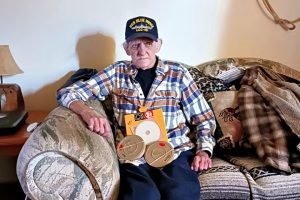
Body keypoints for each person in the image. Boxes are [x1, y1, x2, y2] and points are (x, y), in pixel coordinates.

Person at [57, 16, 216, 200]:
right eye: (135, 45)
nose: (142, 51)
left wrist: (203, 151)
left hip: (174, 149)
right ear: (126, 48)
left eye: (148, 43)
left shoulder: (178, 73)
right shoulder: (116, 73)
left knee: (180, 193)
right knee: (144, 195)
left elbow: (204, 118)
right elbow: (67, 93)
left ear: (158, 45)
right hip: (133, 154)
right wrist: (87, 111)